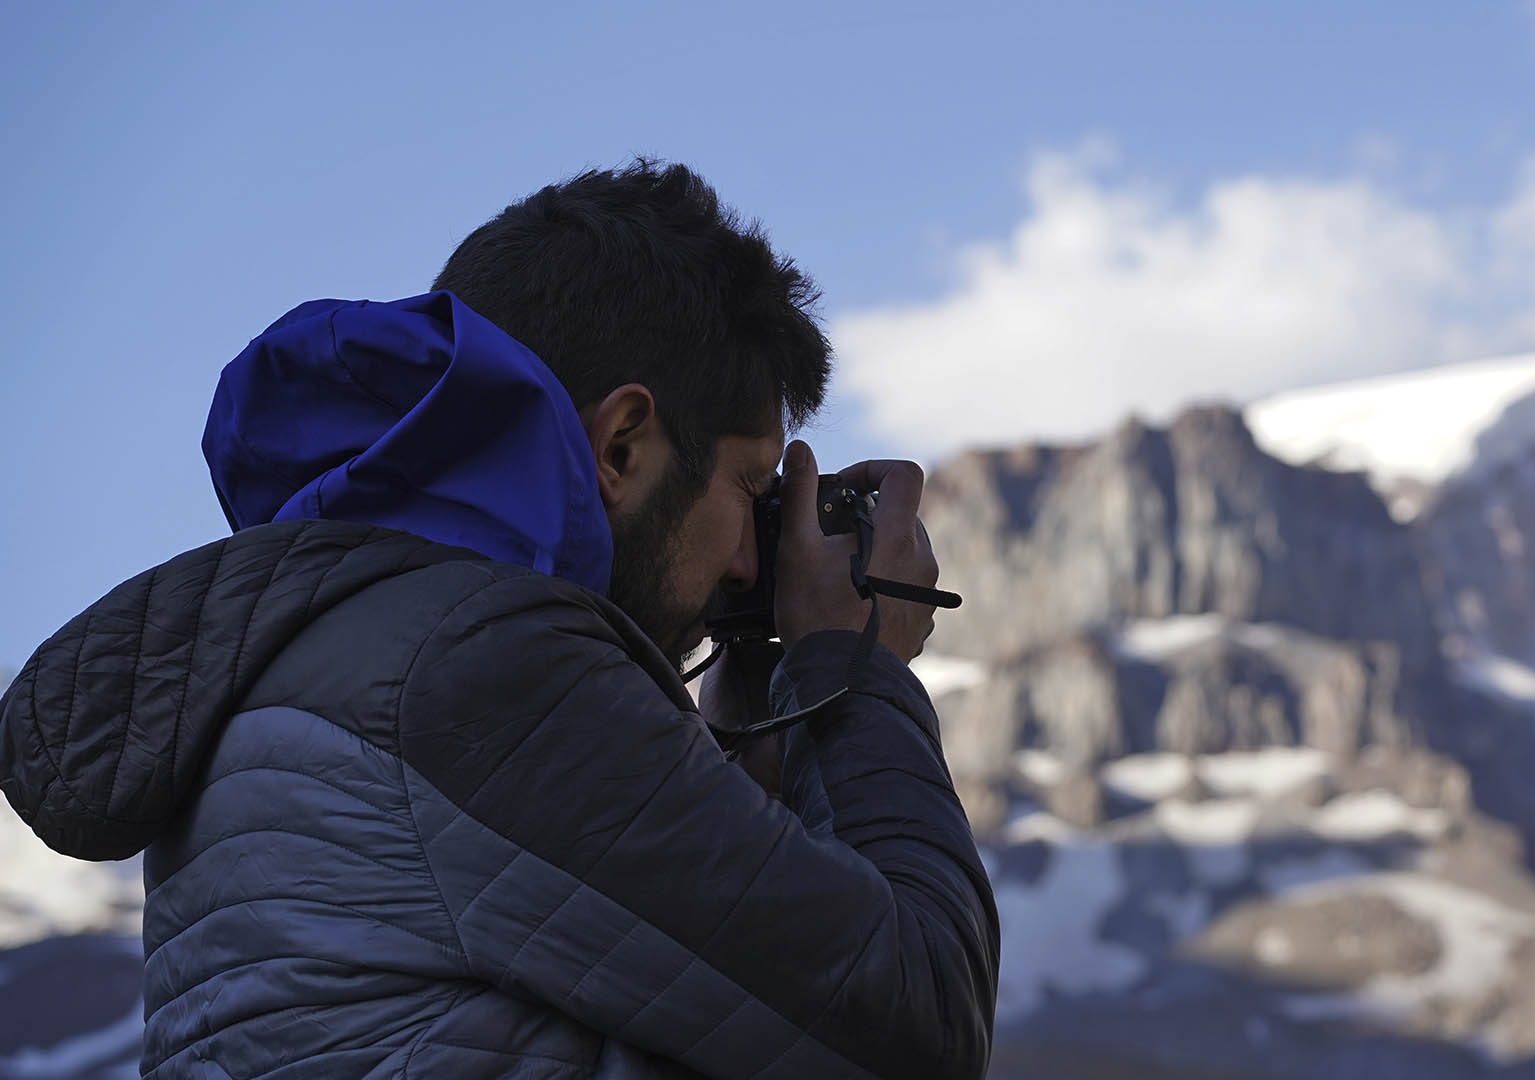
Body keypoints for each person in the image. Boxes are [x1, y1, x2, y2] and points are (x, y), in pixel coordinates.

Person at [0, 161, 999, 1078]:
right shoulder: (481, 662)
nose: (750, 558)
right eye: (747, 490)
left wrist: (760, 661)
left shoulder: (349, 638)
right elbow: (915, 1027)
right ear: (620, 445)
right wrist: (852, 662)